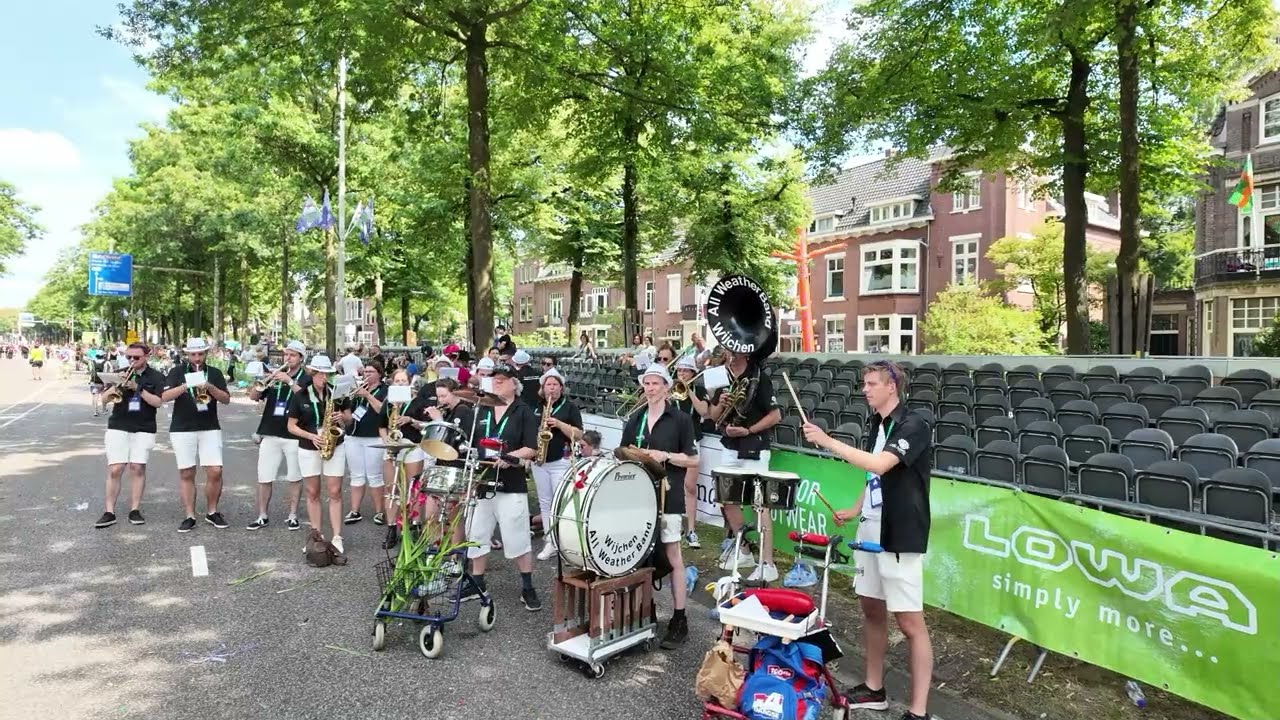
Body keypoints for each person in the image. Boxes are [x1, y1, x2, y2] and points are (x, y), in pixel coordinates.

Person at [802, 360, 934, 720]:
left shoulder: (914, 424)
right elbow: (871, 477)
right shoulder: (876, 424)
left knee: (910, 624)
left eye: (872, 383)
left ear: (892, 386)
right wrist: (854, 507)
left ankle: (918, 711)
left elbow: (880, 465)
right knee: (871, 609)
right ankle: (874, 688)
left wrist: (827, 440)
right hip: (869, 528)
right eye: (864, 383)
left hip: (899, 534)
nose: (865, 389)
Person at [619, 363, 696, 648]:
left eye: (655, 383)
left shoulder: (680, 419)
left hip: (669, 494)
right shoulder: (635, 419)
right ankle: (645, 611)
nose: (650, 388)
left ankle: (679, 618)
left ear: (666, 387)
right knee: (640, 556)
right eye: (647, 384)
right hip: (639, 497)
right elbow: (622, 453)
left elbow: (693, 459)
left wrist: (664, 455)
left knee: (673, 555)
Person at [462, 363, 541, 610]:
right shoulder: (483, 409)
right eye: (494, 377)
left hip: (511, 481)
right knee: (476, 532)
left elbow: (532, 447)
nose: (497, 381)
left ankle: (527, 586)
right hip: (482, 479)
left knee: (516, 534)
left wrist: (508, 458)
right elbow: (472, 441)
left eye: (503, 378)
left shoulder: (523, 411)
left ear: (514, 384)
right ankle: (477, 581)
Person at [707, 349, 783, 581]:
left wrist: (748, 430)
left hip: (756, 447)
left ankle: (768, 564)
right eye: (728, 350)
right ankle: (745, 550)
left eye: (734, 350)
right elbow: (712, 415)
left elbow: (775, 416)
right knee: (728, 500)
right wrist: (720, 404)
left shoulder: (760, 377)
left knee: (761, 505)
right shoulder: (719, 376)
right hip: (730, 446)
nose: (729, 353)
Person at [161, 337, 232, 532]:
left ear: (206, 354)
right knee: (186, 472)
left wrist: (210, 387)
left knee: (215, 470)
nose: (197, 358)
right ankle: (190, 515)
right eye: (193, 354)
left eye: (201, 354)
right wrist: (186, 386)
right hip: (182, 427)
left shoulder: (215, 373)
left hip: (209, 427)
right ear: (187, 355)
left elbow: (226, 399)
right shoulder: (177, 372)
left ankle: (212, 512)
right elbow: (164, 397)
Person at [94, 343, 166, 528]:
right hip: (118, 424)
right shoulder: (120, 372)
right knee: (115, 469)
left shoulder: (156, 377)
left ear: (146, 357)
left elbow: (158, 402)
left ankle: (135, 510)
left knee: (137, 467)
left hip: (144, 426)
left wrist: (138, 388)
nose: (132, 361)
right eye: (129, 357)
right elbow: (103, 400)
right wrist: (116, 385)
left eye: (136, 357)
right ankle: (109, 511)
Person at [287, 354, 352, 555]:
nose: (324, 378)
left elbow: (348, 420)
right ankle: (316, 535)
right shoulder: (301, 396)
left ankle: (337, 536)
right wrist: (311, 436)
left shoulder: (338, 393)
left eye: (327, 374)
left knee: (334, 491)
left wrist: (342, 417)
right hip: (309, 446)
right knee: (312, 493)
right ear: (312, 373)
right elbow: (291, 426)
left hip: (335, 444)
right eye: (321, 374)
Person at [247, 340, 310, 531]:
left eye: (292, 355)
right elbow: (253, 397)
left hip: (294, 433)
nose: (287, 358)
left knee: (294, 477)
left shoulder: (306, 377)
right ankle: (262, 515)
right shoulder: (275, 376)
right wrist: (259, 385)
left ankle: (292, 515)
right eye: (286, 354)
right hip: (270, 431)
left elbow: (306, 398)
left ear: (301, 358)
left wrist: (289, 382)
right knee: (264, 476)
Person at [530, 368, 584, 560]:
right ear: (543, 388)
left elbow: (579, 434)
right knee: (545, 503)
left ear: (561, 387)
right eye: (548, 385)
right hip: (539, 460)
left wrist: (559, 424)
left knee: (560, 503)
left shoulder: (569, 407)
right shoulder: (537, 406)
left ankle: (566, 541)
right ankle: (550, 541)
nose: (551, 388)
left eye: (555, 385)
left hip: (561, 460)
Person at [379, 368, 433, 549]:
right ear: (392, 383)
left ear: (409, 382)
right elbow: (381, 425)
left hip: (412, 446)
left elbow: (426, 426)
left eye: (403, 381)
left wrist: (410, 420)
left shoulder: (418, 401)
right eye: (397, 381)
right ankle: (392, 527)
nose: (400, 384)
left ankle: (414, 525)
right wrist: (386, 440)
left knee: (413, 488)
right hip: (392, 447)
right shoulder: (388, 402)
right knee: (391, 490)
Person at [671, 355, 711, 548]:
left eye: (685, 371)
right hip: (673, 440)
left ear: (693, 373)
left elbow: (703, 411)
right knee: (673, 484)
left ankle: (692, 530)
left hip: (692, 440)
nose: (682, 374)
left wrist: (689, 391)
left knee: (690, 487)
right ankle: (675, 527)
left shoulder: (700, 389)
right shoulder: (670, 389)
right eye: (679, 371)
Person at [345, 362, 388, 526]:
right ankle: (354, 510)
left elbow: (382, 409)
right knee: (356, 475)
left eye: (371, 371)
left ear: (380, 373)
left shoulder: (385, 390)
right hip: (353, 436)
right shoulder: (357, 389)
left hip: (374, 437)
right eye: (365, 371)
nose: (367, 374)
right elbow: (348, 410)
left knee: (374, 476)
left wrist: (367, 396)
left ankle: (379, 511)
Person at [89, 350, 110, 417]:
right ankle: (104, 409)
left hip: (93, 381)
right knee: (103, 395)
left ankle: (95, 411)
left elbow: (90, 371)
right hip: (102, 382)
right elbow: (106, 373)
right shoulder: (106, 363)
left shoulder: (92, 362)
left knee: (95, 396)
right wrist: (106, 382)